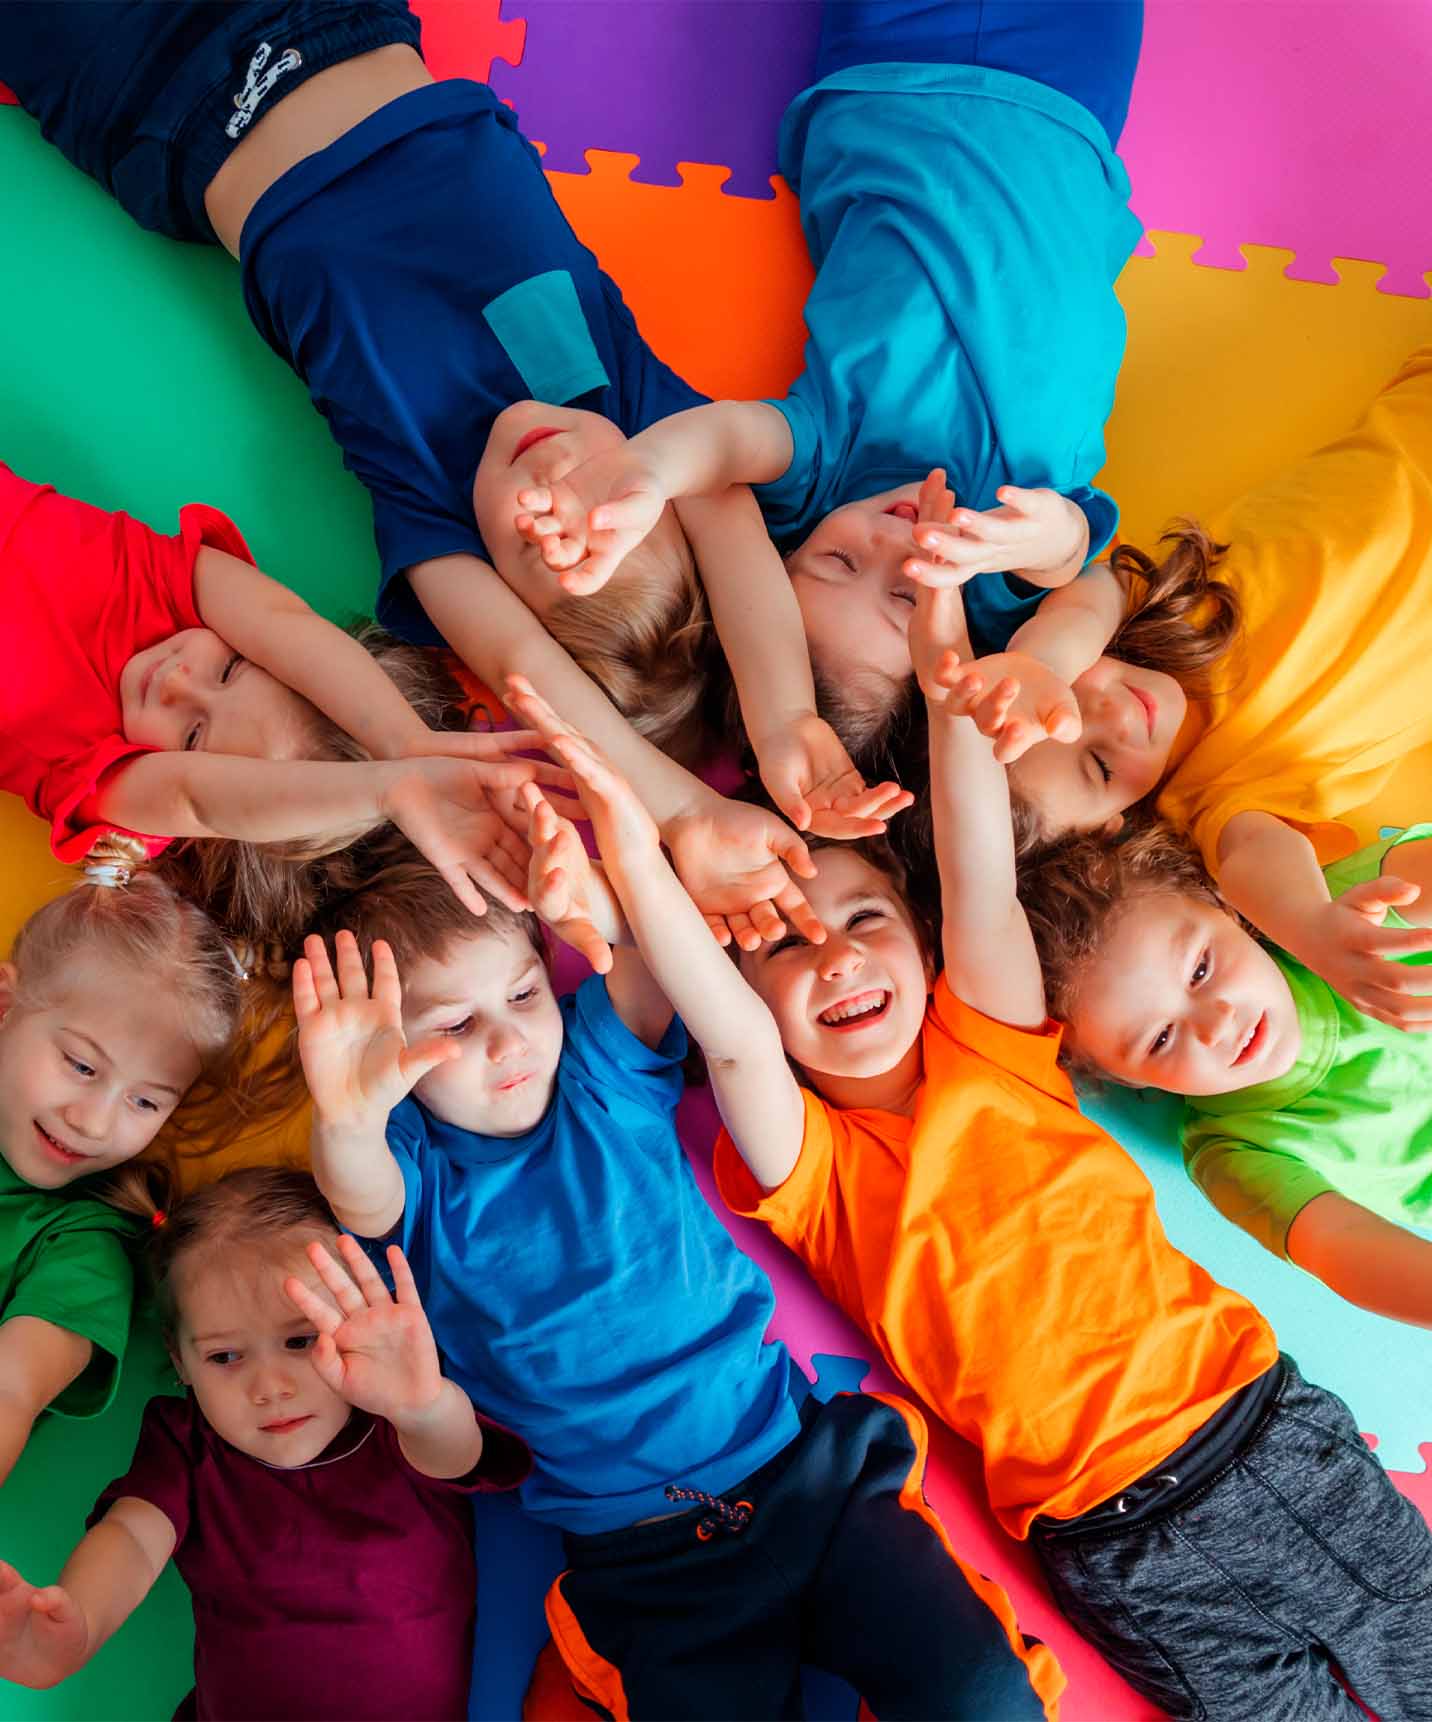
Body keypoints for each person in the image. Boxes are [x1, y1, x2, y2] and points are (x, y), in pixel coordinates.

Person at [497, 558, 1432, 1714]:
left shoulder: (994, 1043)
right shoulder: (811, 1171)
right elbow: (727, 1036)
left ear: (923, 942)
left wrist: (945, 646)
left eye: (863, 918)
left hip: (1257, 1432)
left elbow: (976, 862)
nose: (836, 956)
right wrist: (630, 848)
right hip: (1108, 1538)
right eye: (783, 947)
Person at [0, 0, 916, 955]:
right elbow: (722, 506)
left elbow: (528, 672)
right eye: (606, 511)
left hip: (165, 101)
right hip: (333, 18)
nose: (556, 483)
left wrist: (682, 812)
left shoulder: (427, 494)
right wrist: (784, 717)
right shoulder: (620, 396)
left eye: (539, 539)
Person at [291, 728, 1059, 1720]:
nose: (507, 1040)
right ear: (388, 1062)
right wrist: (346, 1114)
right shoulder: (412, 1170)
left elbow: (654, 968)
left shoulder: (599, 1075)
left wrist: (596, 911)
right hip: (648, 1564)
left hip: (805, 1477)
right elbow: (356, 1190)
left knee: (984, 1697)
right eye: (452, 1026)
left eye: (522, 995)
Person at [515, 0, 1146, 761]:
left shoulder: (825, 467)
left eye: (839, 561)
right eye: (906, 594)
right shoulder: (988, 566)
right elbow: (1085, 571)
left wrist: (650, 470)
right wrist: (1043, 597)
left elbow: (729, 441)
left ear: (788, 551)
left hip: (901, 70)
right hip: (1065, 110)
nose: (889, 545)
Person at [949, 349, 1432, 1030]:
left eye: (1070, 695)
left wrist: (1043, 661)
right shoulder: (1210, 799)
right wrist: (1313, 928)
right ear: (1114, 827)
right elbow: (1251, 858)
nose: (1113, 713)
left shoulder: (1152, 611)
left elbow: (1084, 598)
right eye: (1099, 764)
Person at [0, 1166, 530, 1716]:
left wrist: (421, 1405)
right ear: (180, 1360)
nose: (270, 1388)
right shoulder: (189, 1445)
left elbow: (456, 1453)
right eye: (225, 1356)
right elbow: (132, 1536)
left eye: (301, 1341)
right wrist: (79, 1626)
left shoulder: (394, 1417)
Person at [0, 457, 568, 942]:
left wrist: (389, 790)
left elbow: (198, 799)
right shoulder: (166, 590)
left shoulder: (106, 775)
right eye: (229, 669)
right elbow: (284, 624)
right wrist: (404, 742)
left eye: (193, 735)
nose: (176, 681)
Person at [1021, 815, 1432, 1330]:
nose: (1216, 1026)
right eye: (1161, 1039)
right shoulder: (1232, 1151)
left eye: (1201, 969)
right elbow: (1342, 1248)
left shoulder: (1342, 912)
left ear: (1225, 908)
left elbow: (1248, 833)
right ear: (1129, 1080)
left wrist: (1309, 921)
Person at [0, 846, 244, 1490]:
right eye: (82, 1066)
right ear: (4, 1005)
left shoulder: (84, 1247)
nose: (93, 1123)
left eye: (145, 1101)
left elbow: (11, 1388)